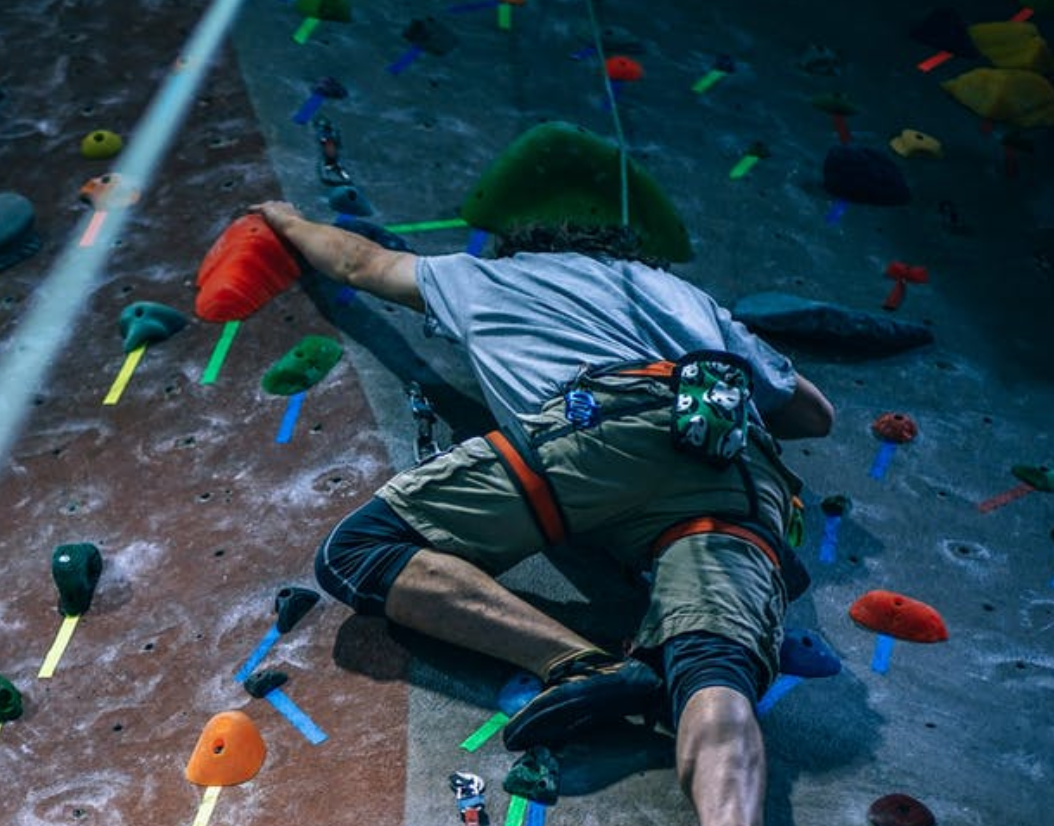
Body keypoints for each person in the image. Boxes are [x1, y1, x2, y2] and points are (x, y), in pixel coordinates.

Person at [250, 201, 835, 826]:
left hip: (598, 435)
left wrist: (288, 221)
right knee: (716, 674)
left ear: (529, 248)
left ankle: (582, 663)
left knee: (362, 550)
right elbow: (813, 415)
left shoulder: (488, 276)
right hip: (736, 471)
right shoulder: (690, 298)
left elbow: (358, 263)